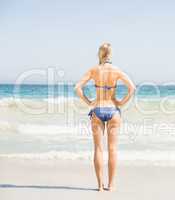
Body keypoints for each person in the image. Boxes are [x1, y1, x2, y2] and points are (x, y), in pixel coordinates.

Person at [74, 42, 135, 191]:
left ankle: (100, 186)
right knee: (113, 149)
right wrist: (120, 102)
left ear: (100, 54)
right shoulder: (116, 70)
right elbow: (132, 88)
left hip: (98, 110)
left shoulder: (94, 70)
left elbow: (77, 88)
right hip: (113, 111)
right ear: (110, 54)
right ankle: (111, 185)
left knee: (98, 149)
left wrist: (89, 102)